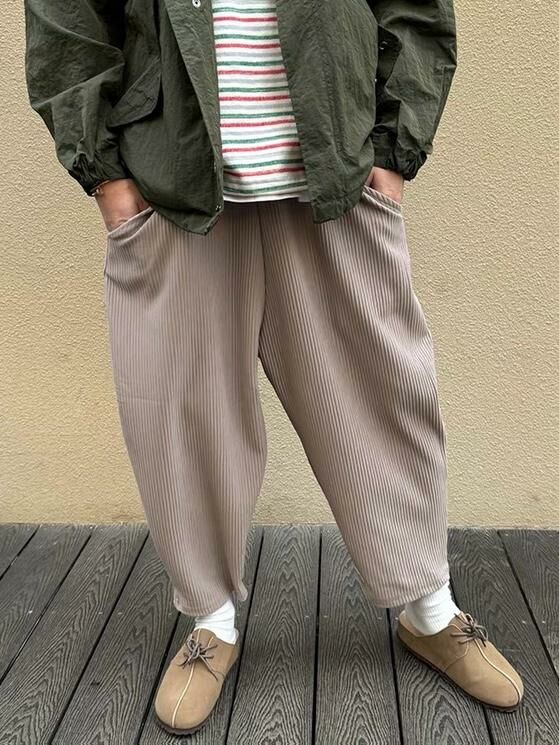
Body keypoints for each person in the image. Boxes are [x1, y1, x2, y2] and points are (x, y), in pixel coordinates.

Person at [23, 0, 524, 735]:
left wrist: (392, 153)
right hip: (173, 186)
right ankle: (212, 620)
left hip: (335, 178)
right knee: (181, 413)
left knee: (384, 399)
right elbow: (66, 20)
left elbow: (415, 12)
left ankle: (429, 608)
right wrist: (108, 181)